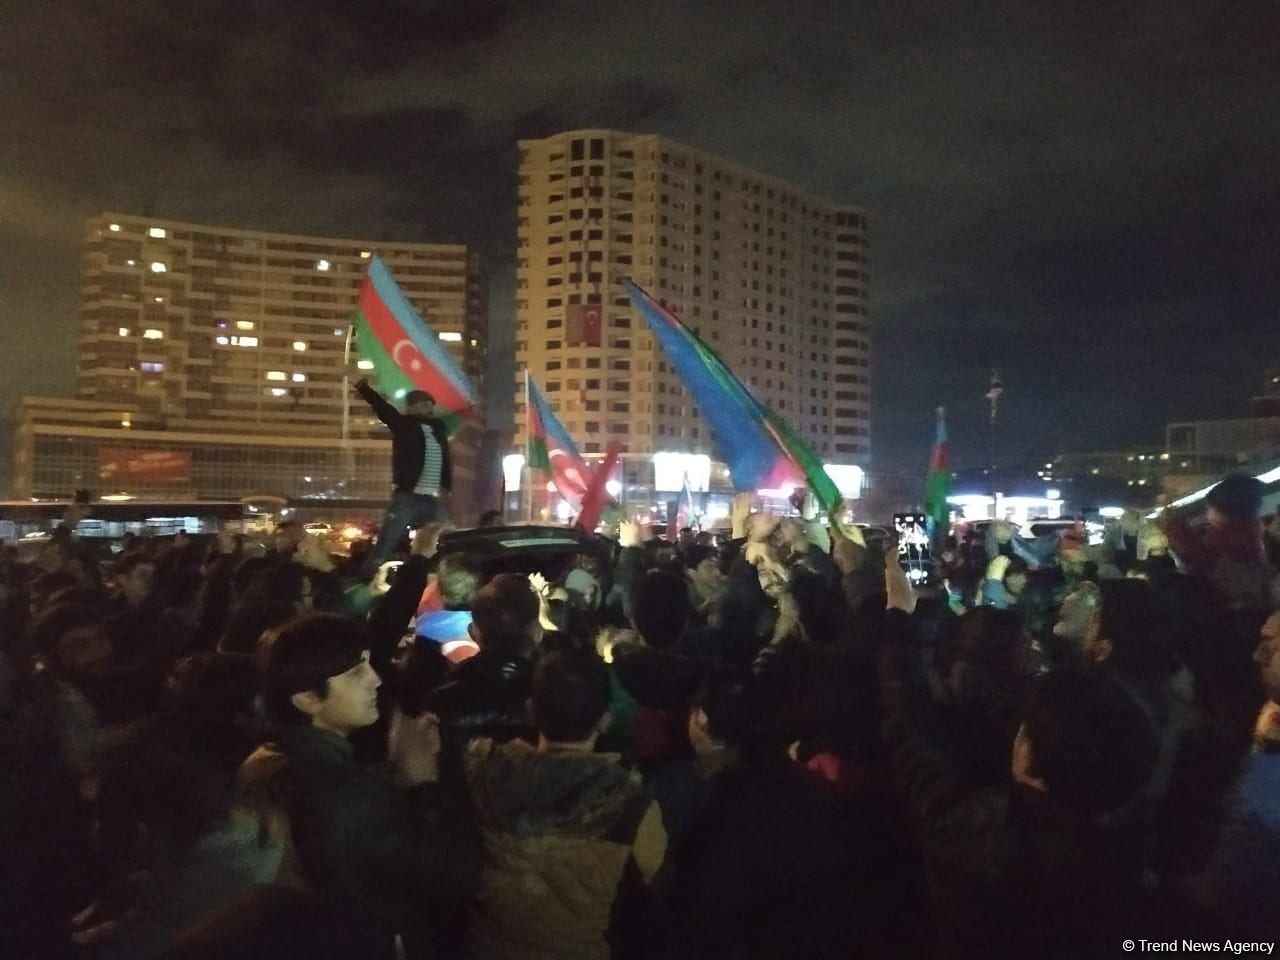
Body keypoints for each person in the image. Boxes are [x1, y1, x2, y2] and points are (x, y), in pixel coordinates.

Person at [237, 613, 480, 960]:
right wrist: (427, 779)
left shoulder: (264, 761)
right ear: (306, 699)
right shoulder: (346, 791)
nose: (375, 679)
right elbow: (455, 875)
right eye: (354, 673)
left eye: (368, 662)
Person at [461, 648, 667, 960]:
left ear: (530, 710)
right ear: (604, 720)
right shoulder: (630, 801)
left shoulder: (481, 770)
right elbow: (652, 871)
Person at [355, 377, 453, 572]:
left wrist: (446, 485)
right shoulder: (403, 424)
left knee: (441, 540)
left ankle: (431, 577)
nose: (428, 408)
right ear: (411, 407)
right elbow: (382, 407)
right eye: (423, 404)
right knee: (387, 542)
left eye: (430, 404)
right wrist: (362, 387)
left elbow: (446, 458)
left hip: (432, 498)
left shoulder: (438, 429)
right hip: (407, 496)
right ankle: (365, 578)